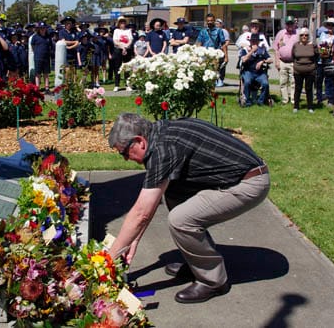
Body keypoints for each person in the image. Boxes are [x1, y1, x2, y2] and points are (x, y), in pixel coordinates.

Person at [107, 113, 270, 304]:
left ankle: (213, 281)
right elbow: (148, 206)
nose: (126, 159)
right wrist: (132, 241)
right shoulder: (160, 134)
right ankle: (198, 265)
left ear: (139, 141)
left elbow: (141, 213)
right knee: (174, 193)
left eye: (124, 153)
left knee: (181, 220)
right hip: (235, 176)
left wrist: (108, 261)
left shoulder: (163, 150)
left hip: (250, 182)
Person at [239, 33, 271, 106]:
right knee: (247, 82)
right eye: (253, 41)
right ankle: (247, 101)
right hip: (248, 71)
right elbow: (243, 60)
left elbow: (270, 59)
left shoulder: (262, 50)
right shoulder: (245, 50)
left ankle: (261, 101)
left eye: (256, 41)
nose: (254, 43)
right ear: (250, 42)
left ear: (258, 42)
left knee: (265, 84)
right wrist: (252, 51)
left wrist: (263, 61)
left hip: (259, 73)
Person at [196, 13, 228, 87]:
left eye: (211, 20)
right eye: (208, 21)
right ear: (206, 21)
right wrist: (196, 54)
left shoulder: (219, 31)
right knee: (205, 74)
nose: (209, 22)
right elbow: (199, 43)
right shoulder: (203, 31)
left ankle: (213, 87)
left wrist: (226, 56)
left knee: (213, 73)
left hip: (215, 56)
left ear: (214, 21)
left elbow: (223, 44)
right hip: (205, 56)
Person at [291, 27, 318, 113]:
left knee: (309, 89)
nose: (304, 36)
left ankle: (310, 107)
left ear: (308, 36)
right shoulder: (296, 45)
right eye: (302, 35)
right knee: (298, 88)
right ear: (299, 36)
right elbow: (293, 56)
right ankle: (296, 106)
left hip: (310, 71)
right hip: (298, 71)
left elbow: (317, 56)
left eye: (306, 35)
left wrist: (314, 66)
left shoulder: (313, 45)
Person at [272, 15, 298, 104]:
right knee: (283, 82)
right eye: (288, 24)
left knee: (293, 82)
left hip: (293, 62)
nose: (289, 25)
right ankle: (284, 99)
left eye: (291, 23)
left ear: (294, 24)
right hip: (282, 61)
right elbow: (276, 49)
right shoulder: (280, 33)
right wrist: (277, 61)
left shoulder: (297, 34)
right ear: (285, 24)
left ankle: (293, 100)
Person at [316, 18, 334, 105]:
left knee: (329, 80)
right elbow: (319, 45)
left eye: (332, 25)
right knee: (319, 80)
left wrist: (332, 48)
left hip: (331, 60)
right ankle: (319, 98)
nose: (330, 27)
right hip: (321, 60)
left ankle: (330, 99)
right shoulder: (323, 34)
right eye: (329, 25)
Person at [111, 16, 133, 91]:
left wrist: (125, 47)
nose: (122, 24)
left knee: (127, 67)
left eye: (124, 22)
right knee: (117, 67)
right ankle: (117, 85)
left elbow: (130, 40)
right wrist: (122, 47)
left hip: (127, 50)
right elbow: (115, 41)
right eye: (121, 22)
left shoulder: (128, 30)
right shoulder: (116, 31)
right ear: (119, 23)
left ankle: (127, 85)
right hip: (118, 50)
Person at [30, 21, 52, 91]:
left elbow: (50, 46)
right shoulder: (35, 37)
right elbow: (32, 46)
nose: (42, 29)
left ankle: (47, 88)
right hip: (38, 58)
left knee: (46, 73)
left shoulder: (48, 37)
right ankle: (37, 88)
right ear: (39, 29)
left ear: (46, 28)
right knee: (38, 73)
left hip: (46, 58)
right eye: (41, 28)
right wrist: (37, 52)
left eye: (44, 28)